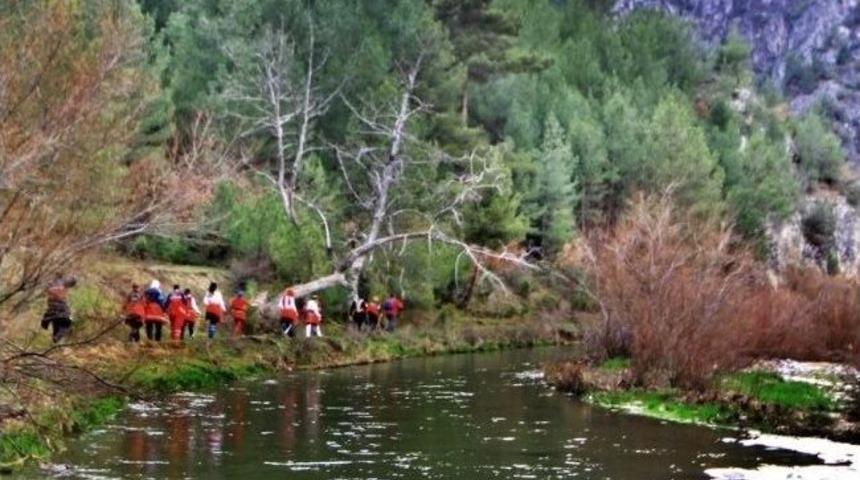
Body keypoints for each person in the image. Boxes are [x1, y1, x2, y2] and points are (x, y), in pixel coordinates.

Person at [41, 276, 77, 343]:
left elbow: (49, 290)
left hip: (56, 311)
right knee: (66, 323)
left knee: (60, 324)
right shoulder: (61, 288)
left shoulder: (60, 287)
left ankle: (56, 337)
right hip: (59, 311)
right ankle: (57, 336)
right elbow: (51, 290)